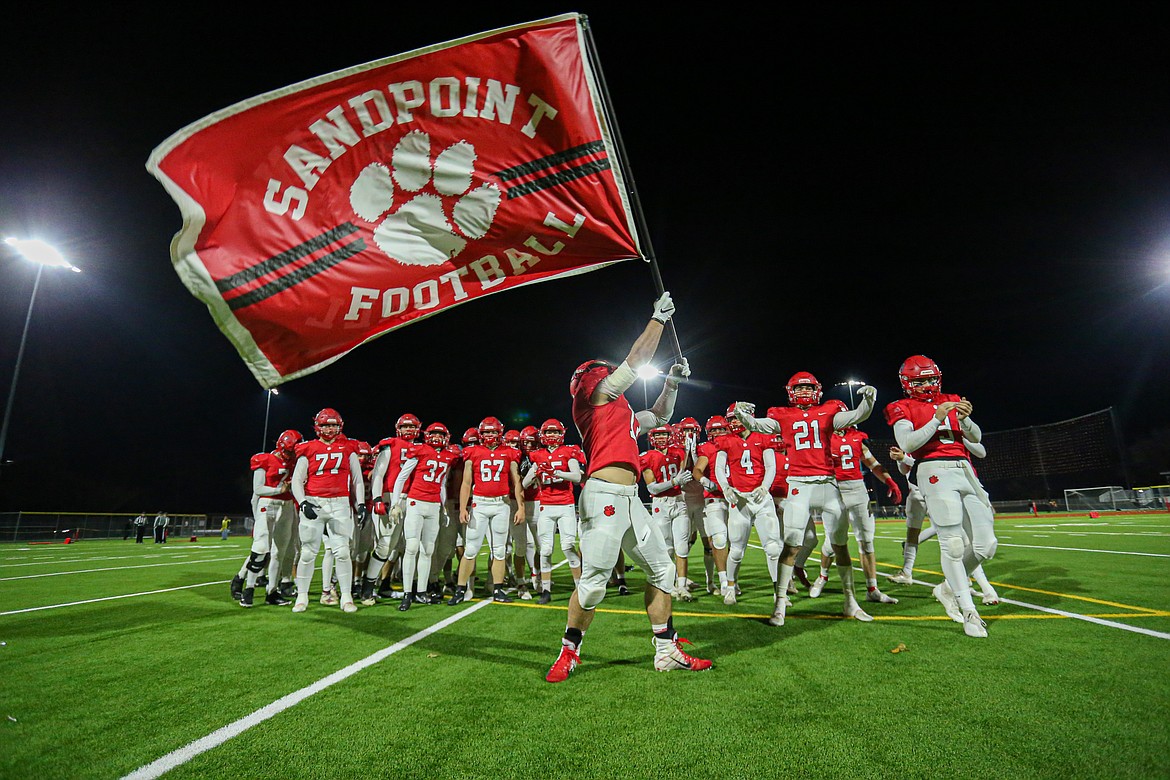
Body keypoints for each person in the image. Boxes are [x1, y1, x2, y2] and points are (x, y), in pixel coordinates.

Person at [545, 291, 712, 683]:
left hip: (630, 498)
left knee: (662, 569)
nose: (607, 375)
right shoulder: (594, 399)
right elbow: (635, 362)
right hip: (603, 492)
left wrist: (671, 383)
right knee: (593, 584)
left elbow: (657, 416)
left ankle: (666, 649)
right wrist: (656, 319)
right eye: (602, 372)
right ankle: (569, 651)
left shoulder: (618, 409)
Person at [732, 371, 878, 627]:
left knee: (840, 545)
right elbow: (756, 425)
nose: (803, 392)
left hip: (828, 483)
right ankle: (779, 604)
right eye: (798, 388)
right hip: (799, 484)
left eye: (808, 387)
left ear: (818, 390)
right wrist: (741, 413)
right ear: (790, 392)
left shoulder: (830, 411)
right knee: (791, 544)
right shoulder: (782, 414)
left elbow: (857, 415)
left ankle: (850, 601)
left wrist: (868, 402)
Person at [884, 355, 996, 638]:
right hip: (933, 469)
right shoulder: (901, 406)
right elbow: (908, 443)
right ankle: (969, 609)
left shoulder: (952, 398)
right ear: (907, 383)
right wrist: (936, 418)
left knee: (986, 545)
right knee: (953, 545)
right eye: (920, 381)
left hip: (964, 468)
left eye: (930, 379)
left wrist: (965, 420)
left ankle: (946, 589)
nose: (927, 385)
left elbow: (977, 439)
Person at [887, 443, 999, 606]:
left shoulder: (945, 438)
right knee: (959, 542)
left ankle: (974, 587)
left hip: (947, 488)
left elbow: (979, 450)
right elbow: (907, 469)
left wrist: (965, 426)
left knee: (968, 543)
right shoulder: (915, 437)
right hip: (927, 490)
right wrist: (900, 459)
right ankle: (973, 588)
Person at [807, 426, 903, 605]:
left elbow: (873, 464)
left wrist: (890, 481)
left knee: (866, 541)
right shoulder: (822, 438)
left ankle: (872, 589)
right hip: (834, 490)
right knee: (832, 542)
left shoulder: (857, 438)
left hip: (858, 490)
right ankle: (823, 576)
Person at [289, 408, 366, 613]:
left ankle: (346, 596)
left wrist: (361, 504)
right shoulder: (308, 448)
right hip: (315, 501)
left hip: (339, 503)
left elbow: (357, 480)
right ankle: (302, 596)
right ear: (317, 426)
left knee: (342, 551)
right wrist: (303, 502)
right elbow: (297, 480)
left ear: (339, 426)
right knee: (308, 552)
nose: (329, 428)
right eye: (325, 425)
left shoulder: (348, 447)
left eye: (333, 424)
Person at [713, 407, 785, 624]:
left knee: (773, 547)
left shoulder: (763, 437)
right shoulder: (726, 441)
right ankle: (731, 587)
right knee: (736, 550)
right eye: (732, 418)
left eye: (738, 417)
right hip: (740, 498)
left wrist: (765, 487)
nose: (735, 422)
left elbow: (771, 466)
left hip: (761, 499)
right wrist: (726, 488)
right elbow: (719, 467)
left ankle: (778, 592)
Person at [449, 416, 525, 605]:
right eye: (486, 432)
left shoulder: (510, 452)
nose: (490, 435)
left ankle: (497, 589)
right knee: (471, 549)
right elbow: (466, 483)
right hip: (480, 504)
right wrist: (463, 508)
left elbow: (517, 482)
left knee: (499, 550)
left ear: (500, 433)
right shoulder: (472, 452)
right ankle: (460, 589)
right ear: (480, 434)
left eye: (493, 431)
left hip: (501, 504)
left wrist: (521, 507)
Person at [389, 423, 459, 610]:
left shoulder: (447, 456)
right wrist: (396, 503)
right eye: (433, 434)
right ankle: (407, 593)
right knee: (411, 547)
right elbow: (402, 477)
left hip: (434, 505)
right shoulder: (419, 450)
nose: (436, 437)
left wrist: (443, 507)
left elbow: (443, 483)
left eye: (440, 434)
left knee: (428, 549)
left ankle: (421, 591)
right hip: (415, 503)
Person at [235, 429, 302, 607]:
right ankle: (248, 589)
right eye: (288, 451)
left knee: (279, 551)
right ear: (280, 447)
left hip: (287, 506)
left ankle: (272, 592)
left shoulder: (297, 461)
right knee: (261, 548)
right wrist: (278, 490)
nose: (290, 455)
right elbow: (258, 489)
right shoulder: (264, 459)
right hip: (268, 503)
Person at [362, 413, 421, 603]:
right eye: (405, 427)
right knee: (385, 545)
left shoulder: (421, 448)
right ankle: (367, 588)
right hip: (389, 496)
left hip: (411, 499)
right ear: (398, 428)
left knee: (399, 546)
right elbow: (378, 474)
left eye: (411, 427)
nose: (408, 430)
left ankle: (386, 584)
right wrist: (378, 497)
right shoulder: (390, 445)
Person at [524, 418, 583, 604]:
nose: (552, 435)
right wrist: (533, 475)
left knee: (567, 546)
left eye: (555, 432)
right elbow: (525, 483)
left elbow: (576, 476)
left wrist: (555, 472)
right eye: (549, 432)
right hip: (546, 506)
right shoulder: (538, 455)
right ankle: (546, 590)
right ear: (543, 435)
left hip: (565, 505)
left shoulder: (569, 451)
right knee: (546, 549)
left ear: (561, 434)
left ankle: (580, 587)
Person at [640, 425, 695, 602]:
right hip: (660, 504)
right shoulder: (647, 457)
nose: (661, 437)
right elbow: (652, 488)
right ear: (651, 438)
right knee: (666, 547)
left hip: (679, 501)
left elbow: (685, 472)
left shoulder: (678, 452)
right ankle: (669, 583)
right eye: (658, 434)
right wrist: (674, 481)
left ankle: (682, 585)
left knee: (682, 546)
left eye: (664, 433)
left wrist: (689, 452)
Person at [690, 415, 732, 599]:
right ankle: (724, 583)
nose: (717, 433)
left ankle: (731, 580)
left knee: (735, 544)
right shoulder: (707, 448)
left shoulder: (735, 443)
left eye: (720, 429)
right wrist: (705, 480)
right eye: (713, 430)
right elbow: (697, 470)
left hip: (735, 500)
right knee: (720, 539)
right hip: (715, 499)